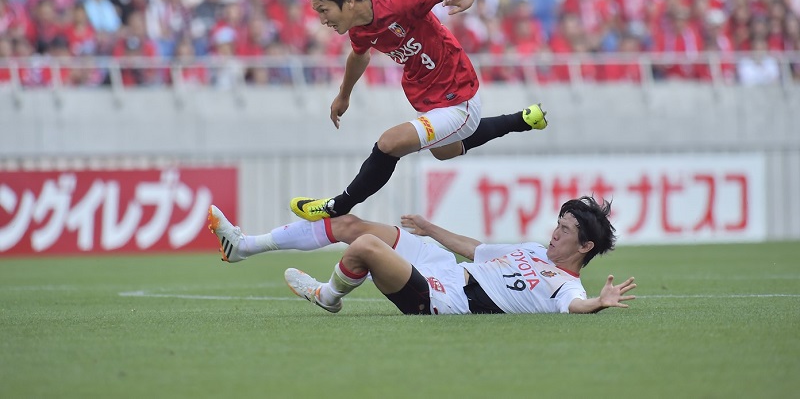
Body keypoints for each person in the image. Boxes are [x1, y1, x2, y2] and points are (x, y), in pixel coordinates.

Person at [290, 0, 548, 222]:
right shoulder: (359, 28)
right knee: (444, 151)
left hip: (458, 96)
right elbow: (359, 56)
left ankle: (338, 205)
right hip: (426, 95)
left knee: (389, 143)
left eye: (324, 10)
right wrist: (344, 95)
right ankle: (522, 119)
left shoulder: (399, 1)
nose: (323, 20)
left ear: (348, 2)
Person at [207, 197, 636, 315]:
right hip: (444, 268)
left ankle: (327, 296)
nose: (553, 234)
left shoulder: (566, 284)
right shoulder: (532, 250)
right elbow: (474, 249)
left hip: (438, 299)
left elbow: (573, 304)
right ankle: (242, 246)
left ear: (585, 248)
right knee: (352, 224)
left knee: (364, 249)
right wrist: (430, 229)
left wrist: (598, 303)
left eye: (564, 232)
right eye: (557, 224)